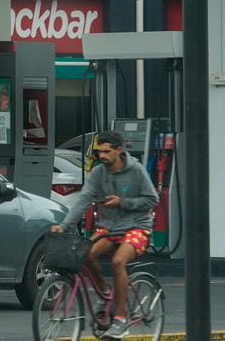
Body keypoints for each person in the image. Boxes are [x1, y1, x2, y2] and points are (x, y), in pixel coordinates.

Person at [51, 130, 158, 339]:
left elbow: (152, 199)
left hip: (137, 228)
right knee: (84, 253)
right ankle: (105, 293)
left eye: (107, 151)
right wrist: (63, 225)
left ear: (119, 150)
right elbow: (83, 200)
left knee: (118, 262)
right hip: (109, 228)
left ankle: (120, 319)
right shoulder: (98, 172)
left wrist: (123, 202)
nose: (102, 155)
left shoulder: (136, 170)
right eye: (100, 151)